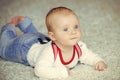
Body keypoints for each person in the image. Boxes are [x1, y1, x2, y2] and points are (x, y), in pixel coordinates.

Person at [0, 7, 107, 79]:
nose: (73, 31)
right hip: (24, 47)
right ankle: (9, 27)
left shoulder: (79, 46)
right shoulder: (50, 52)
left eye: (75, 26)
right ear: (53, 36)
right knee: (4, 49)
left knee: (36, 35)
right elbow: (39, 70)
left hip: (42, 39)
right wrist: (61, 72)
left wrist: (98, 61)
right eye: (65, 29)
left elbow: (88, 55)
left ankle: (25, 23)